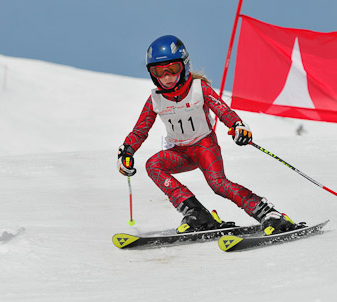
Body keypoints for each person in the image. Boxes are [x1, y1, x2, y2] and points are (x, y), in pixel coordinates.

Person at [117, 35, 301, 235]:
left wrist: (238, 126)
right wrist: (126, 151)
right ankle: (197, 214)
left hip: (204, 147)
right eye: (159, 71)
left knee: (218, 184)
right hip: (179, 152)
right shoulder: (156, 99)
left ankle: (269, 214)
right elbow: (140, 130)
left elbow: (223, 110)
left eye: (173, 69)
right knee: (153, 165)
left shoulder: (199, 88)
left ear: (184, 66)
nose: (167, 76)